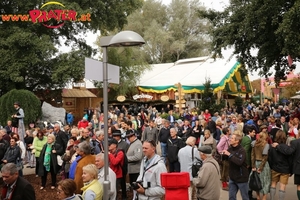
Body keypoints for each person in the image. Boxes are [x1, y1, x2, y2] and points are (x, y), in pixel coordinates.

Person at [222, 133, 249, 200]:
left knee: (245, 197)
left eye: (232, 138)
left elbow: (239, 162)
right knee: (231, 197)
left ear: (237, 141)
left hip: (241, 178)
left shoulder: (242, 150)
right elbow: (226, 159)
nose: (230, 139)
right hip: (232, 177)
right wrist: (224, 155)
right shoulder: (230, 148)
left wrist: (229, 155)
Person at [268, 130, 291, 200]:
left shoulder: (272, 147)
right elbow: (290, 159)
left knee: (273, 184)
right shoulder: (287, 147)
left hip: (275, 167)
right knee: (282, 186)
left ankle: (272, 198)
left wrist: (271, 166)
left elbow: (270, 158)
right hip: (285, 169)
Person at [251, 132, 271, 200]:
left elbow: (252, 155)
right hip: (263, 165)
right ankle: (264, 198)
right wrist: (261, 167)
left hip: (256, 163)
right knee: (265, 181)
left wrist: (253, 166)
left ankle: (258, 197)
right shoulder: (266, 145)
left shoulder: (254, 143)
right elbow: (265, 157)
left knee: (257, 180)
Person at [125, 129, 143, 199]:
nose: (128, 139)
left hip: (136, 169)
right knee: (133, 185)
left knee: (136, 186)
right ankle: (135, 197)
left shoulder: (138, 144)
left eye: (130, 137)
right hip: (132, 169)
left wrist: (126, 159)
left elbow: (138, 157)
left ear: (134, 136)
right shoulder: (132, 143)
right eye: (128, 137)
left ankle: (137, 197)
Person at [241, 126, 257, 200]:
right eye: (253, 132)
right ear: (249, 132)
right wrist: (248, 163)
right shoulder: (248, 140)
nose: (254, 133)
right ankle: (248, 196)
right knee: (248, 179)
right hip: (247, 162)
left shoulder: (244, 138)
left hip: (243, 161)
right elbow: (246, 152)